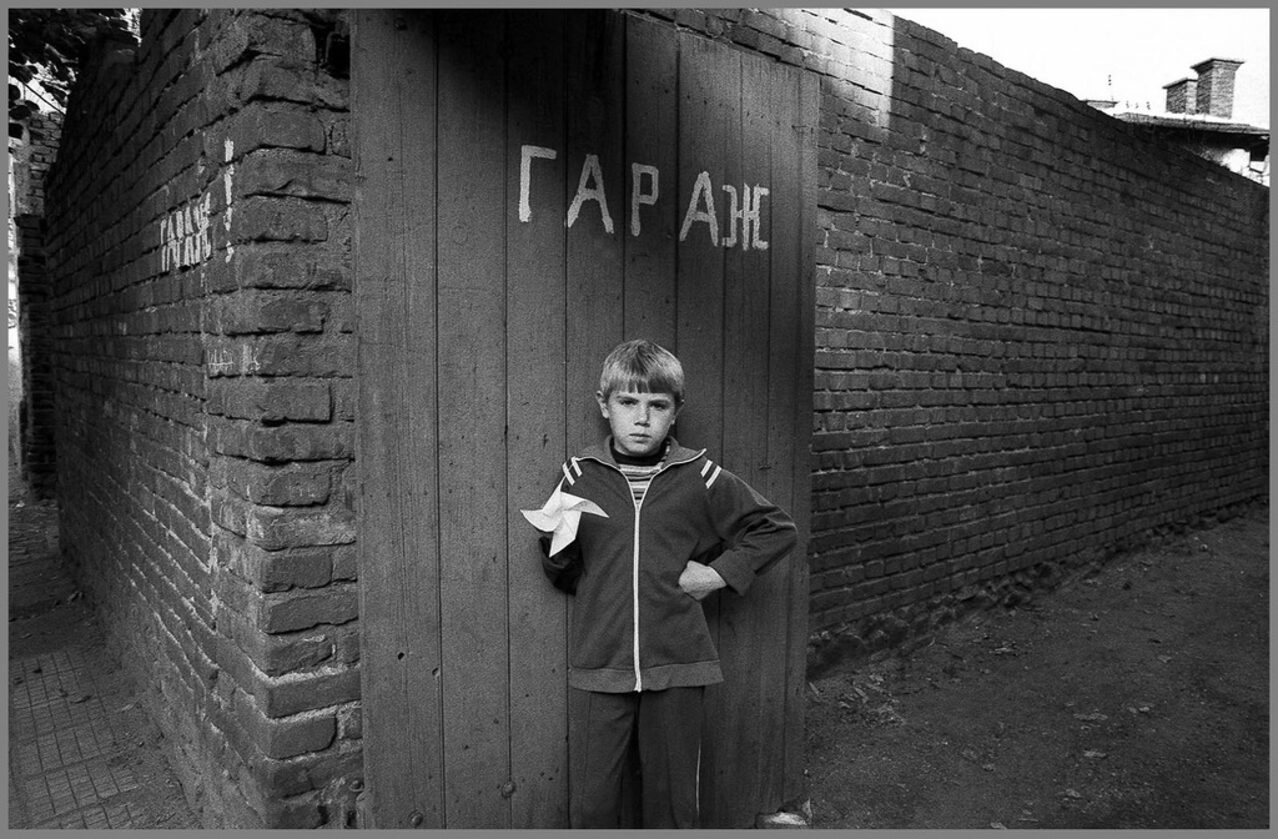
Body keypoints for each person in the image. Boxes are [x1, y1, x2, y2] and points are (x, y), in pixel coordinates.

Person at [523, 338, 797, 829]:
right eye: (628, 402)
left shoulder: (701, 476)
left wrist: (716, 574)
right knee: (593, 803)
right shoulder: (579, 475)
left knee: (673, 803)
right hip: (601, 662)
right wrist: (555, 547)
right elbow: (564, 571)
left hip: (678, 661)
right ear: (604, 405)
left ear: (676, 411)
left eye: (657, 405)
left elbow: (776, 529)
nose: (642, 418)